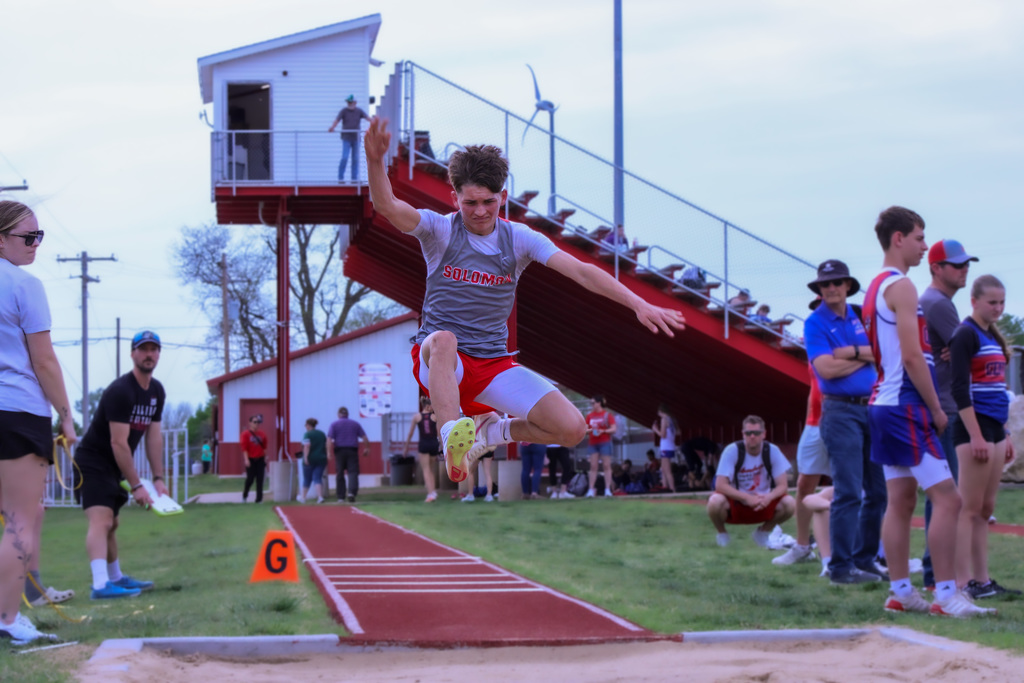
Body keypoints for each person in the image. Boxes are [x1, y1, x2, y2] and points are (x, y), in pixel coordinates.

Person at [363, 117, 684, 487]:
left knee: (572, 429)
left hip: (493, 364)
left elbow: (581, 271)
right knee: (444, 338)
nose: (480, 212)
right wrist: (375, 162)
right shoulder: (439, 230)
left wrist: (638, 303)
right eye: (470, 203)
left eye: (488, 202)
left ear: (503, 197)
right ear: (455, 198)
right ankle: (452, 436)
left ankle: (490, 433)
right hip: (440, 361)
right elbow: (387, 205)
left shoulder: (518, 239)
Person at [863, 206, 991, 618]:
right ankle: (946, 595)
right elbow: (914, 357)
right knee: (949, 500)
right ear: (898, 238)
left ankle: (901, 591)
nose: (923, 245)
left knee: (899, 500)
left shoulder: (874, 286)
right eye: (919, 237)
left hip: (883, 402)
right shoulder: (900, 286)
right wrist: (936, 407)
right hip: (905, 404)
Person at [0, 200, 76, 644]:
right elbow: (44, 360)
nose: (35, 245)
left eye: (38, 237)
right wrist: (66, 414)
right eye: (28, 237)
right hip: (18, 409)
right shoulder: (24, 285)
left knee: (24, 517)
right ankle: (8, 620)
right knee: (21, 520)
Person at [803, 259, 887, 585]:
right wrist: (864, 354)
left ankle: (864, 560)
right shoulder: (815, 322)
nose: (832, 288)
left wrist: (847, 352)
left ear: (848, 285)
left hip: (872, 409)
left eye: (837, 282)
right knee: (849, 490)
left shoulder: (861, 315)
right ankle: (840, 566)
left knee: (878, 492)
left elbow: (881, 352)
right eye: (825, 284)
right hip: (839, 411)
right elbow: (825, 370)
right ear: (820, 289)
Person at [73, 330, 166, 601]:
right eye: (143, 349)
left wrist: (158, 477)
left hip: (112, 466)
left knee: (112, 523)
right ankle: (100, 585)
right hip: (92, 462)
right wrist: (137, 485)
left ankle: (115, 578)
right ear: (132, 353)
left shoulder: (157, 391)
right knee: (101, 520)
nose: (149, 354)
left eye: (154, 349)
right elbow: (118, 443)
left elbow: (154, 436)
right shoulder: (120, 391)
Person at [950, 275, 1020, 599]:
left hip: (994, 427)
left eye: (1002, 302)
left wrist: (1004, 433)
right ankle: (962, 582)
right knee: (970, 506)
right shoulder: (965, 333)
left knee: (986, 507)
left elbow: (995, 391)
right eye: (992, 302)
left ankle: (984, 579)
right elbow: (960, 389)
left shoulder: (992, 335)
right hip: (972, 427)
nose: (998, 308)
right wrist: (977, 435)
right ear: (974, 301)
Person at [919, 239, 976, 589]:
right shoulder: (938, 303)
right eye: (956, 265)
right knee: (944, 496)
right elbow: (966, 358)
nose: (964, 269)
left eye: (966, 263)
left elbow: (960, 353)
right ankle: (936, 575)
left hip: (939, 405)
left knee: (937, 494)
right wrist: (960, 355)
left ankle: (934, 574)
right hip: (942, 407)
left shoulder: (934, 302)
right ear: (936, 268)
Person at [706, 415, 795, 547]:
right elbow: (720, 485)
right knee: (714, 501)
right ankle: (722, 534)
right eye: (748, 433)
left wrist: (768, 497)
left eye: (756, 433)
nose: (752, 436)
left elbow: (783, 486)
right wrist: (746, 498)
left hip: (763, 502)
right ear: (743, 434)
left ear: (764, 434)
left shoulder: (772, 450)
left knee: (790, 503)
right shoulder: (732, 450)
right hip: (736, 503)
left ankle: (762, 532)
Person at [773, 362, 829, 567]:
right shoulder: (817, 340)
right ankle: (803, 546)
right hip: (814, 424)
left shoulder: (851, 336)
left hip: (842, 419)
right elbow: (813, 387)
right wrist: (808, 422)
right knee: (804, 485)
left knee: (850, 484)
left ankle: (862, 550)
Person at [327, 406, 370, 503]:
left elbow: (329, 439)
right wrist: (367, 448)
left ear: (339, 415)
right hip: (352, 450)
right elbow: (364, 436)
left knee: (340, 473)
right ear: (347, 414)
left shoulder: (334, 425)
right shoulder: (355, 424)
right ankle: (351, 492)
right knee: (353, 472)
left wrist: (329, 452)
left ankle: (341, 496)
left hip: (339, 451)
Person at [402, 396, 441, 503]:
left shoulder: (417, 417)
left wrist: (406, 448)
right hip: (433, 444)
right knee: (431, 469)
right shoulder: (434, 417)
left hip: (423, 445)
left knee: (426, 470)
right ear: (428, 406)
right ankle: (433, 492)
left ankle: (430, 494)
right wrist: (441, 446)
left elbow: (410, 434)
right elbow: (438, 433)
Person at [328, 95, 370, 182]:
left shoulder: (359, 111)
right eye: (348, 102)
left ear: (355, 103)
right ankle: (340, 178)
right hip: (346, 138)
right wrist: (332, 127)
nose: (349, 104)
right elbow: (337, 120)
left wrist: (376, 125)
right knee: (345, 157)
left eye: (351, 102)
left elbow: (368, 118)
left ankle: (354, 179)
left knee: (355, 158)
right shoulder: (344, 111)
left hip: (356, 138)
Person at [585, 396, 617, 497]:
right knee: (593, 466)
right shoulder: (589, 416)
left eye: (593, 403)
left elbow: (614, 428)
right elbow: (586, 428)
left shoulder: (607, 414)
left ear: (599, 403)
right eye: (591, 403)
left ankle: (607, 489)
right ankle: (591, 489)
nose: (592, 405)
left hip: (604, 442)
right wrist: (591, 431)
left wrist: (603, 431)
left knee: (606, 465)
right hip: (593, 442)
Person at [298, 418, 328, 504]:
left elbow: (307, 446)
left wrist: (306, 458)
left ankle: (303, 497)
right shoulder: (322, 434)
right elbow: (325, 445)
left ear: (308, 425)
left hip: (310, 459)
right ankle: (320, 497)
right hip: (321, 458)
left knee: (307, 479)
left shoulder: (307, 434)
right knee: (317, 478)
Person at [240, 414, 267, 503]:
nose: (257, 424)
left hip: (260, 459)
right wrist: (246, 459)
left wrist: (265, 458)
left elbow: (265, 447)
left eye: (258, 422)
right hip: (251, 459)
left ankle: (259, 499)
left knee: (260, 479)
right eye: (255, 422)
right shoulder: (245, 434)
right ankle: (245, 496)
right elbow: (244, 448)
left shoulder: (262, 434)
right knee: (250, 479)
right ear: (250, 423)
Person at [650, 404, 678, 493]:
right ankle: (665, 486)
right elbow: (678, 432)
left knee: (667, 470)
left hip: (666, 446)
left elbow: (663, 435)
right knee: (663, 469)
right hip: (670, 446)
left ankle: (672, 489)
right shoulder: (672, 420)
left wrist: (655, 429)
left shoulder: (664, 419)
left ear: (661, 411)